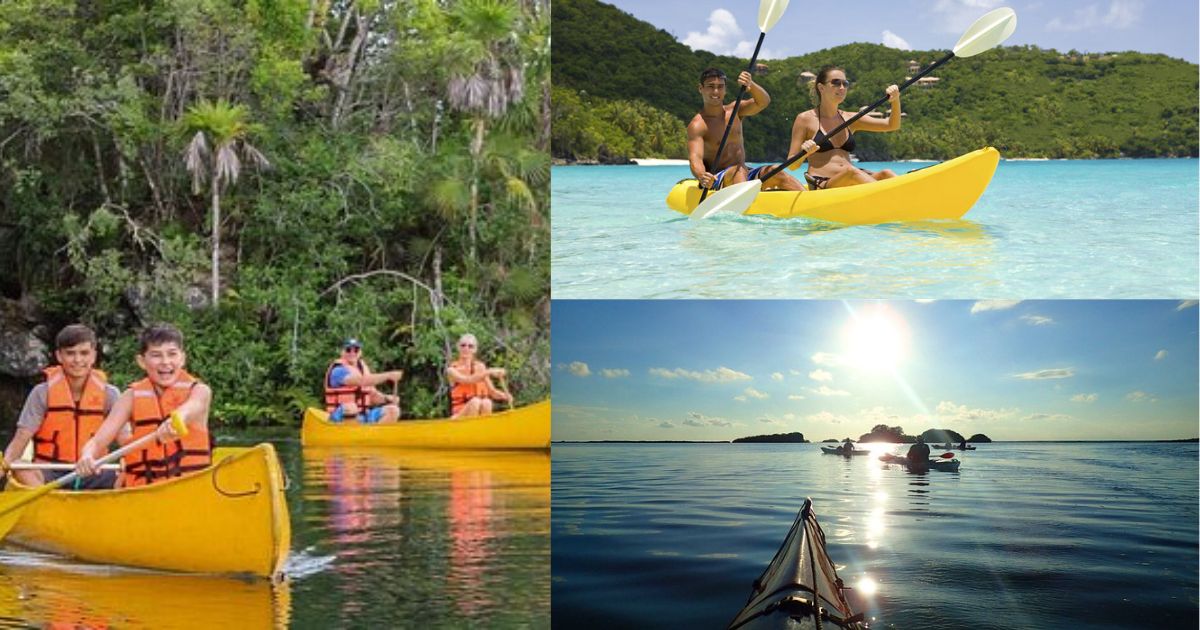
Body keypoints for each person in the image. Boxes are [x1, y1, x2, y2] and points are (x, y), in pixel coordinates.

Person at [75, 324, 212, 487]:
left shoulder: (199, 391)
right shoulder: (131, 397)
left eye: (172, 354)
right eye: (156, 355)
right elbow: (98, 441)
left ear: (182, 359)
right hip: (144, 489)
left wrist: (176, 420)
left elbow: (191, 408)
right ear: (142, 361)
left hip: (189, 486)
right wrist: (87, 455)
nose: (165, 362)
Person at [1, 324, 121, 489]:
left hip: (94, 469)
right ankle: (53, 504)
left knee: (128, 474)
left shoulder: (110, 394)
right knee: (21, 467)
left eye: (84, 353)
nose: (78, 360)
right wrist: (5, 464)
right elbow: (21, 438)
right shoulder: (42, 393)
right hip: (50, 471)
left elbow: (125, 438)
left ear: (93, 356)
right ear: (59, 356)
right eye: (70, 353)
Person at [687, 68, 804, 194]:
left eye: (720, 87)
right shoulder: (698, 125)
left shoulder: (735, 110)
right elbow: (695, 158)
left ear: (725, 89)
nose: (716, 91)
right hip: (717, 178)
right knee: (738, 170)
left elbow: (763, 102)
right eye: (711, 86)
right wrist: (702, 176)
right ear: (701, 88)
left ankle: (808, 199)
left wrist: (751, 84)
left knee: (775, 170)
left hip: (744, 172)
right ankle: (744, 203)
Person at [788, 66, 902, 190]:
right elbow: (792, 165)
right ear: (821, 87)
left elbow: (892, 125)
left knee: (886, 173)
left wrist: (895, 100)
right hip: (824, 184)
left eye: (845, 83)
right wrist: (804, 154)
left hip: (853, 177)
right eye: (836, 83)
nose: (842, 88)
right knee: (851, 172)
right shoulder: (805, 119)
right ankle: (888, 196)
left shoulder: (850, 118)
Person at [323, 338, 403, 424]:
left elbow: (372, 396)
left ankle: (374, 436)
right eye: (348, 350)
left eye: (356, 350)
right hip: (339, 417)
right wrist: (388, 375)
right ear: (342, 352)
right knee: (351, 407)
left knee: (393, 410)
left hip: (364, 415)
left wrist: (386, 399)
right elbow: (361, 381)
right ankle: (351, 436)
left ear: (360, 352)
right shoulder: (338, 370)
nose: (352, 353)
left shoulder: (362, 368)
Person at [447, 333, 511, 418]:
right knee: (475, 402)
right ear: (458, 347)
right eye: (463, 345)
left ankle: (482, 429)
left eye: (470, 346)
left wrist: (505, 396)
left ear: (475, 349)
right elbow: (468, 380)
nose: (466, 348)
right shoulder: (452, 370)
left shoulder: (480, 367)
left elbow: (492, 392)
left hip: (478, 408)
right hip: (459, 414)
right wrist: (490, 371)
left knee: (487, 402)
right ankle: (470, 428)